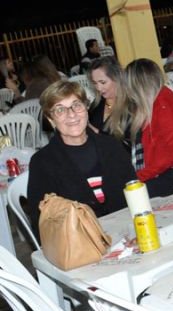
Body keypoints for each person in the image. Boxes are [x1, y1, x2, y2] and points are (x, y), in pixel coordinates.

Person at [27, 81, 136, 234]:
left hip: (127, 230)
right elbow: (42, 222)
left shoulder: (111, 146)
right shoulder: (42, 162)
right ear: (51, 119)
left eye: (76, 105)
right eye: (60, 110)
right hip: (79, 240)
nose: (71, 114)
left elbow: (135, 192)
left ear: (86, 108)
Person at [109, 59, 173, 197]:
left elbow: (170, 154)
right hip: (166, 168)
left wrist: (139, 176)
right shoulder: (156, 100)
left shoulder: (164, 106)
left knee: (126, 194)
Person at [87, 57, 123, 135]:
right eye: (95, 83)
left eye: (103, 82)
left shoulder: (131, 107)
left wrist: (97, 132)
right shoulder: (97, 103)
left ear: (117, 78)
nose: (98, 88)